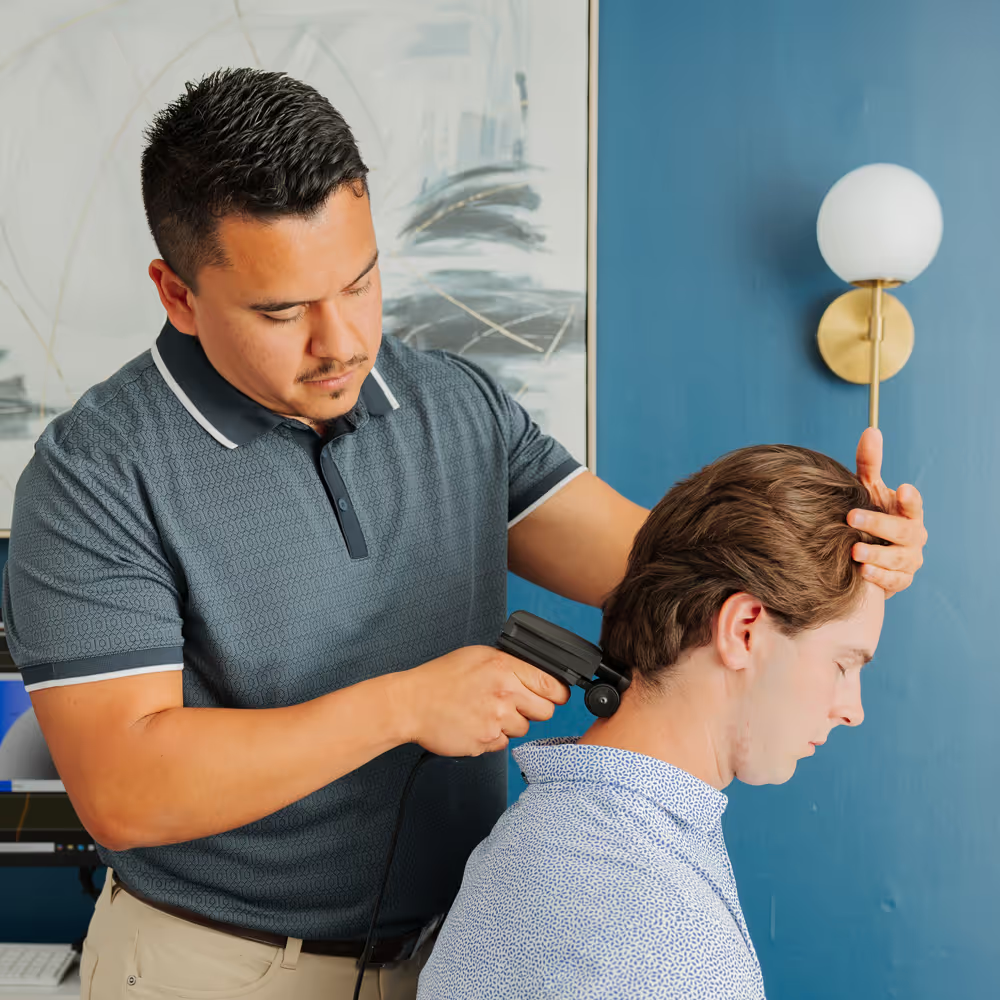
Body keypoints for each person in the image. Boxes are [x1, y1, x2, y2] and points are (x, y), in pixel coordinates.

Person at [1, 66, 925, 1000]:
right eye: (282, 311)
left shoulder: (455, 406)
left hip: (456, 953)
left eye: (360, 282)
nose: (341, 342)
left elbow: (673, 572)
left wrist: (845, 560)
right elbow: (122, 790)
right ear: (177, 294)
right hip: (217, 968)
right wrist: (404, 706)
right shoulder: (95, 473)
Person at [418, 445, 898, 1000]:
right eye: (842, 665)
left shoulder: (535, 839)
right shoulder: (671, 939)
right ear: (743, 630)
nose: (853, 710)